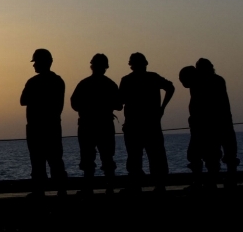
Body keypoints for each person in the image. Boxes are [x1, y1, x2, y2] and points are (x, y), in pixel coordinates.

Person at [118, 52, 174, 193]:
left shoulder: (127, 80)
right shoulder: (153, 78)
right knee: (155, 157)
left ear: (131, 65)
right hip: (150, 125)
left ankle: (137, 185)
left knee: (135, 158)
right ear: (145, 63)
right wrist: (162, 108)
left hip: (134, 125)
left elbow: (120, 101)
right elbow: (170, 87)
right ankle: (159, 185)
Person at [70, 54, 122, 195]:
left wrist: (88, 109)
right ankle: (109, 188)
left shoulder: (84, 84)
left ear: (92, 66)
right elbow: (118, 105)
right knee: (106, 157)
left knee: (88, 158)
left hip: (88, 126)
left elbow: (74, 104)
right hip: (104, 126)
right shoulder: (110, 84)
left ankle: (89, 188)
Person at [20, 49, 67, 197]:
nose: (34, 66)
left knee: (38, 160)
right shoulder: (58, 81)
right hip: (52, 126)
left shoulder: (33, 82)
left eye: (36, 62)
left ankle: (40, 191)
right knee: (54, 160)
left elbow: (23, 101)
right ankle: (61, 190)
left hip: (37, 128)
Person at [192, 59, 238, 189]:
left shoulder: (201, 82)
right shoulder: (218, 80)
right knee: (226, 154)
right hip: (224, 122)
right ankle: (229, 179)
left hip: (212, 124)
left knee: (213, 155)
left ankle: (214, 180)